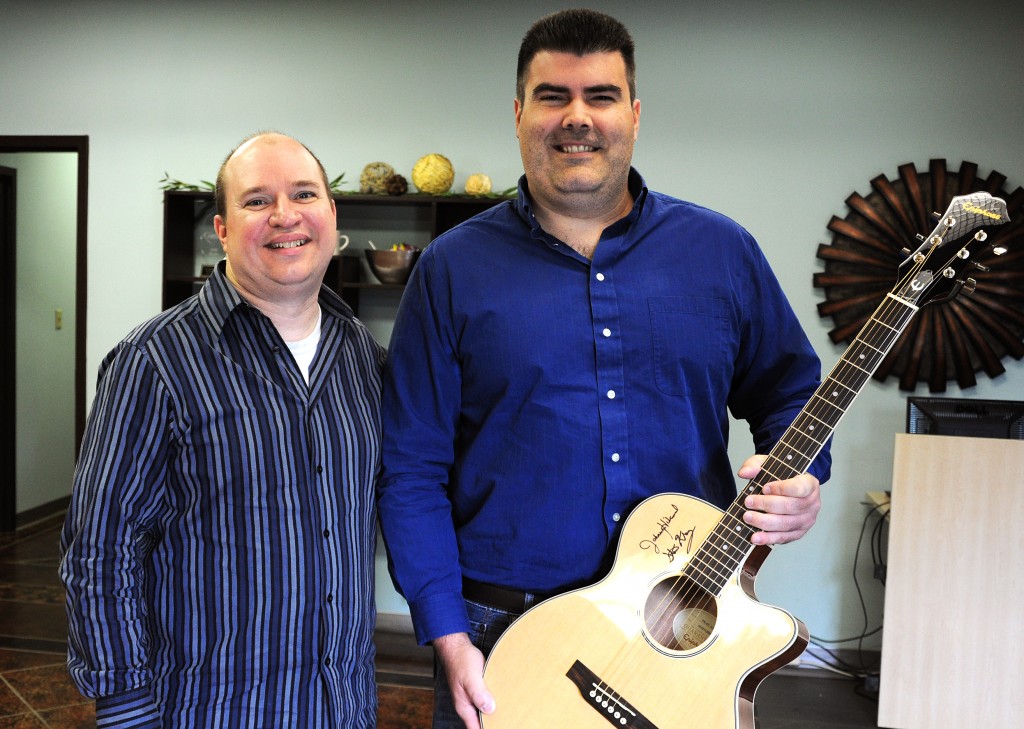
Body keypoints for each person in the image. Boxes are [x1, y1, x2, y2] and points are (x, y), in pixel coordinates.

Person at [377, 8, 831, 729]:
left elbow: (790, 389)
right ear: (520, 112)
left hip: (679, 630)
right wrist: (446, 631)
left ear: (635, 114)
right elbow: (410, 467)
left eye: (601, 96)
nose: (576, 118)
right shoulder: (450, 270)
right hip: (498, 634)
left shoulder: (722, 252)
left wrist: (801, 477)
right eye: (553, 96)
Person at [59, 132, 385, 728]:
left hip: (343, 705)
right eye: (257, 200)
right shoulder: (153, 362)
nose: (285, 215)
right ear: (223, 228)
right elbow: (101, 549)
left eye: (304, 193)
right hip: (211, 710)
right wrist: (126, 710)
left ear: (331, 214)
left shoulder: (363, 356)